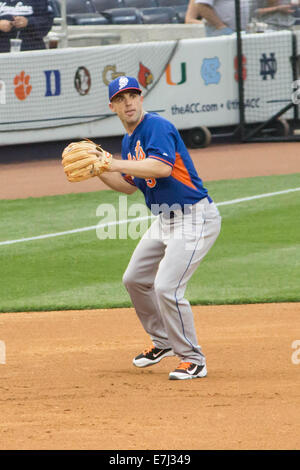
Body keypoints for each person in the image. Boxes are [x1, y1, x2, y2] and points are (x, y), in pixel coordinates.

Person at [93, 76, 222, 381]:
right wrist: (96, 170)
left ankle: (193, 358)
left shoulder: (157, 127)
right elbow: (127, 187)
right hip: (165, 220)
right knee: (135, 279)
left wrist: (111, 163)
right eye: (122, 99)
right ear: (112, 106)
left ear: (141, 99)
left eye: (134, 96)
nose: (129, 103)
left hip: (194, 217)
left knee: (167, 287)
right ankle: (163, 341)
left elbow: (161, 167)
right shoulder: (129, 140)